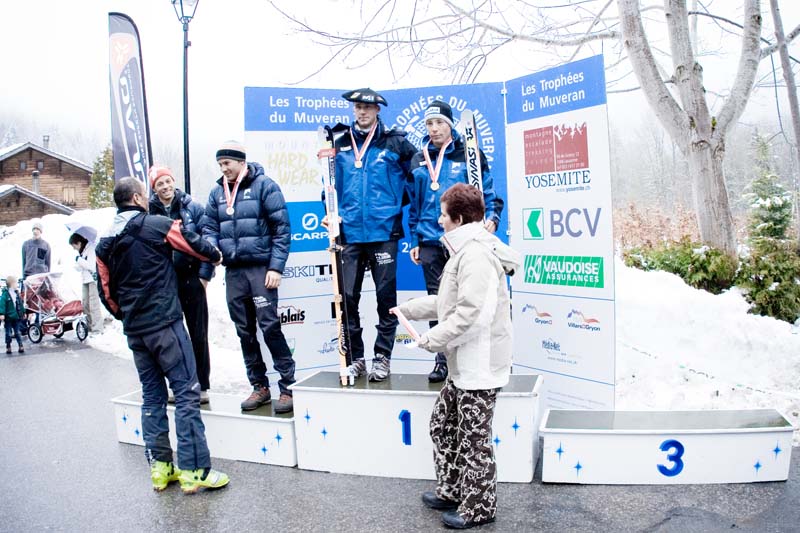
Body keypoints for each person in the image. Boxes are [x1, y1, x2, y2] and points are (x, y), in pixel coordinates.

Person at [394, 183, 519, 530]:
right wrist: (408, 309)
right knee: (443, 424)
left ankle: (479, 507)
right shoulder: (464, 250)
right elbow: (448, 302)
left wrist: (431, 339)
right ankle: (452, 490)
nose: (439, 219)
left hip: (479, 366)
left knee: (474, 441)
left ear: (459, 219)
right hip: (464, 363)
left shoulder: (476, 256)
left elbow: (471, 315)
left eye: (443, 214)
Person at [96, 177, 229, 494]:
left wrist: (126, 315)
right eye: (144, 194)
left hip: (136, 330)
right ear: (137, 198)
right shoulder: (156, 224)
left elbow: (105, 291)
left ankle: (161, 468)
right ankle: (194, 470)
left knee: (152, 396)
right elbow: (193, 244)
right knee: (186, 391)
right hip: (165, 324)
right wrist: (215, 256)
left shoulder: (104, 241)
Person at [321, 88, 418, 382]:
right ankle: (356, 358)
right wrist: (329, 210)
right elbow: (328, 184)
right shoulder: (339, 142)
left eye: (367, 107)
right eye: (357, 107)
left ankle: (382, 357)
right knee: (347, 298)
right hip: (349, 232)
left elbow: (417, 178)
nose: (361, 112)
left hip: (383, 232)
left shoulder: (396, 142)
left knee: (385, 299)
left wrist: (393, 205)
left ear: (377, 110)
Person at [408, 100, 505, 384]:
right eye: (429, 123)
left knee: (469, 300)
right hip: (430, 239)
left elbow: (487, 192)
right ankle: (443, 360)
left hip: (463, 240)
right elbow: (414, 203)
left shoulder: (470, 153)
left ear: (450, 125)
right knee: (439, 302)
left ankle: (472, 358)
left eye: (440, 122)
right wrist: (415, 237)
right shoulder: (418, 158)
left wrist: (492, 218)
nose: (434, 128)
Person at [202, 141, 296, 413]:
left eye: (227, 163)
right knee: (244, 331)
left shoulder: (265, 186)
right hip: (234, 271)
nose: (223, 169)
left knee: (270, 327)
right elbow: (209, 227)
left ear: (241, 162)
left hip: (260, 270)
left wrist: (275, 267)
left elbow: (282, 229)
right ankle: (259, 386)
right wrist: (213, 247)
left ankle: (288, 386)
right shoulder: (217, 192)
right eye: (220, 164)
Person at [149, 165, 213, 404]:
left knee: (198, 334)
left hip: (192, 279)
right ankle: (179, 385)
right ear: (154, 189)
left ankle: (202, 386)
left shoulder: (193, 207)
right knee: (172, 338)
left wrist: (204, 276)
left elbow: (207, 240)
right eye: (159, 184)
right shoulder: (149, 212)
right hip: (165, 284)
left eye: (168, 181)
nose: (165, 187)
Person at [69, 233, 104, 334]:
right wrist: (78, 262)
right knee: (85, 305)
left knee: (93, 305)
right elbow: (81, 266)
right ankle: (89, 327)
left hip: (93, 280)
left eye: (73, 245)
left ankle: (97, 329)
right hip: (85, 280)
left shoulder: (91, 248)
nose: (73, 248)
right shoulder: (82, 251)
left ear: (79, 243)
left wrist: (79, 260)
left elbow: (91, 266)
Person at [0, 275, 26, 354]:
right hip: (8, 318)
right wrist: (1, 313)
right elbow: (2, 304)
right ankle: (8, 346)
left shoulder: (16, 294)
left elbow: (20, 304)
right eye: (15, 283)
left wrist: (23, 312)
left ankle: (20, 345)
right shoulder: (5, 294)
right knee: (8, 333)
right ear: (11, 284)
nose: (17, 285)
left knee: (17, 332)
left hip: (16, 317)